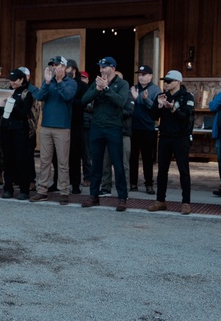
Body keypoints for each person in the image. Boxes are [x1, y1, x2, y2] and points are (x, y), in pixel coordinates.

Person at [81, 57, 130, 212]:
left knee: (117, 163)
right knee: (96, 163)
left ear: (113, 68)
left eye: (105, 67)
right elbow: (84, 99)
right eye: (100, 67)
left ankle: (122, 198)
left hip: (113, 127)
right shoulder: (97, 83)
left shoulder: (122, 84)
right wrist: (98, 89)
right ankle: (93, 196)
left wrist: (107, 89)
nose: (101, 70)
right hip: (96, 126)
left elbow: (122, 102)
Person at [30, 56, 77, 204]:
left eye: (57, 65)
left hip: (62, 127)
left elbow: (67, 96)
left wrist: (59, 81)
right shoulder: (48, 82)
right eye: (52, 65)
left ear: (64, 67)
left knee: (63, 162)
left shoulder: (71, 83)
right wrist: (47, 82)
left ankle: (64, 191)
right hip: (46, 126)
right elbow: (39, 96)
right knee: (44, 161)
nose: (54, 67)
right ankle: (42, 190)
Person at [147, 70, 195, 215]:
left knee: (183, 170)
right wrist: (159, 106)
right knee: (162, 170)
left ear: (178, 82)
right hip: (165, 136)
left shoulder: (187, 97)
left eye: (169, 81)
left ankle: (186, 202)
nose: (166, 84)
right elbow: (153, 116)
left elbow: (186, 116)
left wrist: (172, 109)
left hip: (181, 137)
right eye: (165, 81)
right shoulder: (162, 96)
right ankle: (160, 200)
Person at [0, 69, 34, 200]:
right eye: (11, 80)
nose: (12, 83)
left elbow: (24, 112)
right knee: (7, 160)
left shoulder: (27, 93)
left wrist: (11, 104)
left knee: (21, 159)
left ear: (21, 80)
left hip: (20, 129)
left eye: (15, 80)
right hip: (6, 128)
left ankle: (24, 189)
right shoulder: (6, 92)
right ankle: (8, 188)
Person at [130, 65, 160, 195]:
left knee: (148, 158)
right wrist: (134, 99)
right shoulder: (133, 88)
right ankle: (133, 183)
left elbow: (156, 110)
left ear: (150, 76)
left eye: (144, 74)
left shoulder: (155, 90)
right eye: (140, 74)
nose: (141, 77)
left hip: (148, 129)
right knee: (133, 158)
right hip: (133, 128)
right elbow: (127, 104)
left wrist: (144, 99)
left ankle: (149, 184)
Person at [70, 69, 90, 194]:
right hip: (71, 124)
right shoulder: (67, 86)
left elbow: (86, 103)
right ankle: (68, 181)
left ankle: (87, 177)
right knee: (71, 156)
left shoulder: (85, 88)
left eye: (84, 77)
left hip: (85, 124)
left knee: (86, 154)